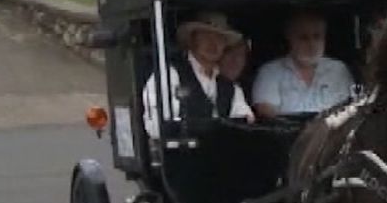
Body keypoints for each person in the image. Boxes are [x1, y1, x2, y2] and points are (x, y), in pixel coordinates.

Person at [142, 11, 253, 140]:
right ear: (192, 39)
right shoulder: (169, 76)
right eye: (206, 37)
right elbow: (156, 128)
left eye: (219, 38)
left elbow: (245, 124)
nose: (213, 44)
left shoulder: (231, 88)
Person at [251, 11, 355, 118]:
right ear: (290, 38)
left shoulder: (339, 70)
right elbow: (266, 114)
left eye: (317, 36)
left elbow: (350, 110)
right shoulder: (269, 72)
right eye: (304, 38)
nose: (311, 44)